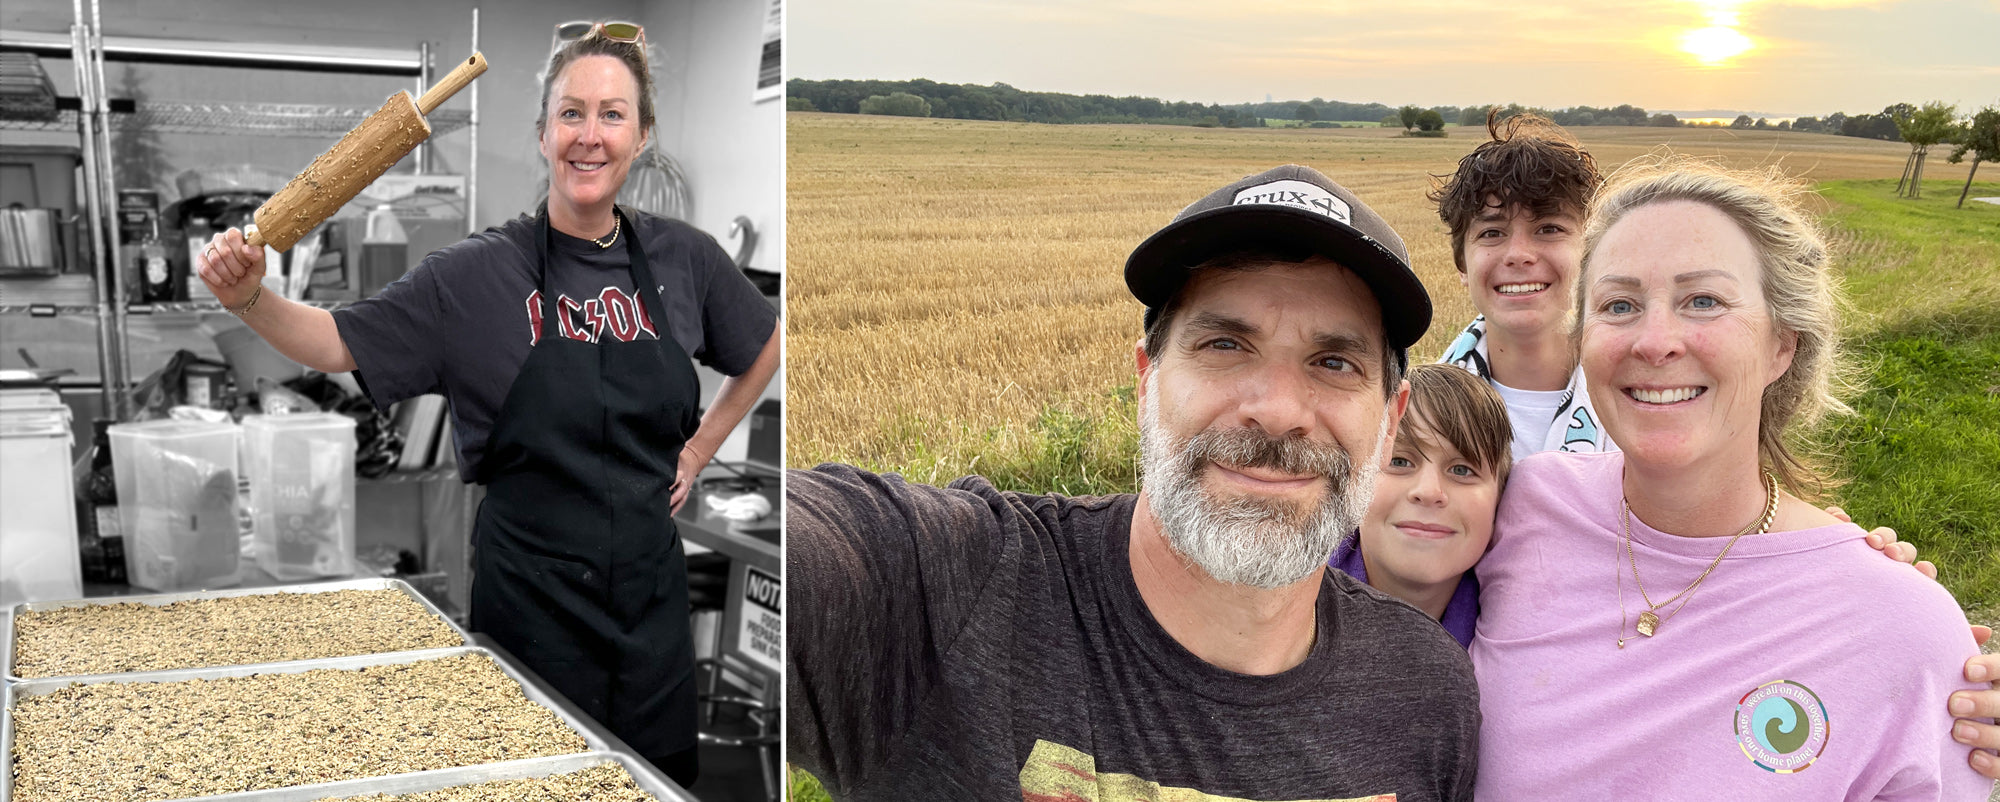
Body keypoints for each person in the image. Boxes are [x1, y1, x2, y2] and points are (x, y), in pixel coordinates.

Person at [194, 23, 780, 785]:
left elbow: (763, 346)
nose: (590, 135)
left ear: (642, 136)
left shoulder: (686, 259)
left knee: (651, 785)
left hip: (649, 604)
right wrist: (250, 299)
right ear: (542, 134)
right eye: (571, 113)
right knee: (533, 783)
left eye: (612, 114)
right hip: (530, 602)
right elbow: (336, 342)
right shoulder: (475, 275)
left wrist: (700, 450)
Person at [787, 165, 1479, 800]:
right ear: (1147, 381)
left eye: (1333, 362)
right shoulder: (948, 594)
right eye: (1225, 344)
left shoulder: (1425, 690)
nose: (1275, 409)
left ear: (1390, 418)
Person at [1469, 161, 1991, 798]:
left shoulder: (1903, 629)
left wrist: (1896, 611)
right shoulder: (1524, 505)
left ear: (1783, 344)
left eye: (1704, 301)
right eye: (1619, 305)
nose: (1654, 341)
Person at [1431, 111, 1610, 460]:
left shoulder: (1645, 401)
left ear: (1592, 254)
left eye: (1548, 228)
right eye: (1492, 233)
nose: (1519, 255)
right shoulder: (1406, 417)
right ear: (1462, 264)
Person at [1330, 362, 1510, 648]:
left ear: (1501, 499)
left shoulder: (1520, 635)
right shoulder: (1269, 610)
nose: (1428, 492)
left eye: (1462, 470)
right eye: (1399, 462)